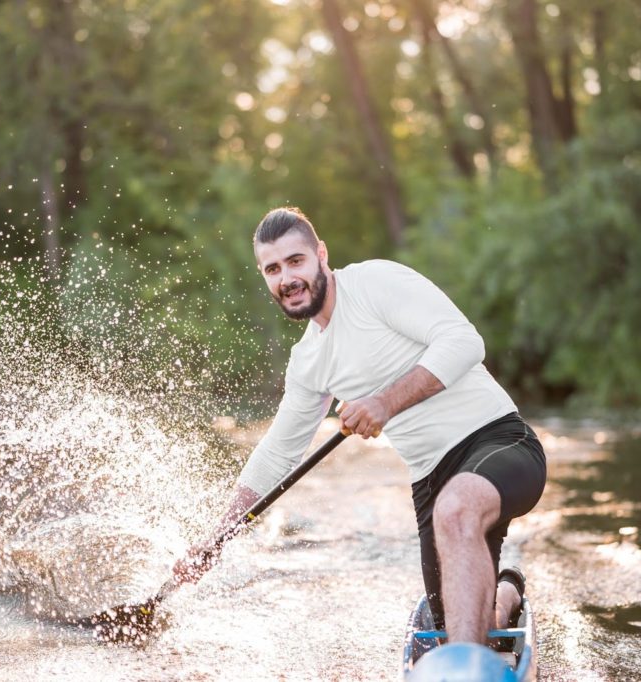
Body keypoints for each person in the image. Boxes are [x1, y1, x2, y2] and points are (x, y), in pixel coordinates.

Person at [174, 207, 546, 643]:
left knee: (456, 508)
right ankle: (505, 594)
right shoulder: (307, 362)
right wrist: (216, 538)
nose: (287, 278)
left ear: (321, 255)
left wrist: (385, 402)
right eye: (272, 269)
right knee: (464, 622)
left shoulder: (373, 283)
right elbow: (277, 454)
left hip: (498, 442)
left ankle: (466, 661)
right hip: (431, 483)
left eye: (296, 261)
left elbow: (464, 341)